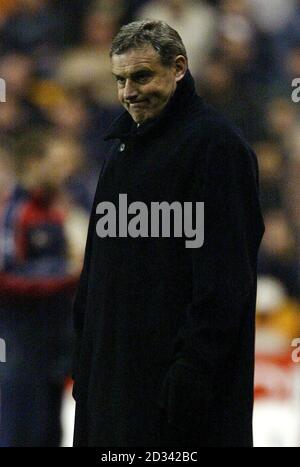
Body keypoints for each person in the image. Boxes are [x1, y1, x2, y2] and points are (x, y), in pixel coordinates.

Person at [72, 20, 265, 447]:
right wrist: (85, 367)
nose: (128, 93)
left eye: (141, 77)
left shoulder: (217, 147)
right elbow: (97, 273)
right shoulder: (119, 151)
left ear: (179, 68)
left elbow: (226, 277)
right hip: (110, 392)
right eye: (119, 80)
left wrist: (193, 371)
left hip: (178, 401)